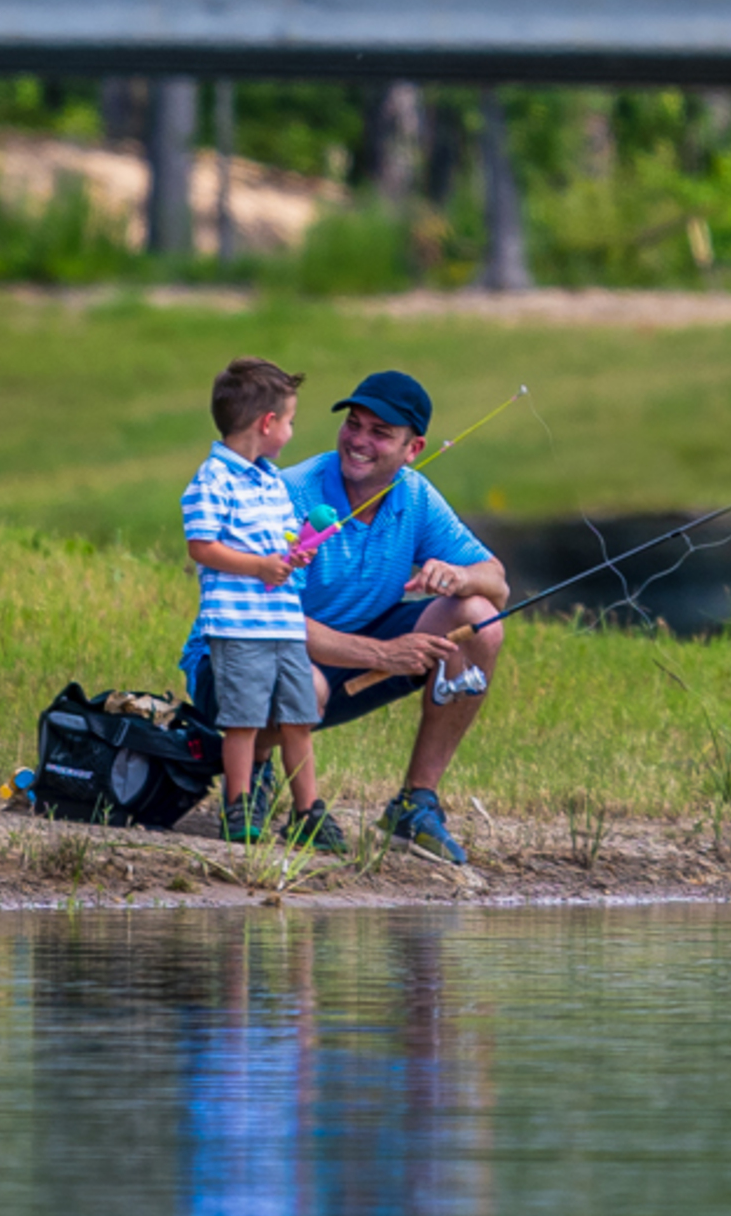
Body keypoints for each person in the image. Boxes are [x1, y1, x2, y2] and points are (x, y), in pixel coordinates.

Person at [278, 369, 510, 866]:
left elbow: (498, 581)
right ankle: (255, 780)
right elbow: (271, 620)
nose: (358, 441)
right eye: (353, 424)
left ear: (413, 448)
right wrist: (383, 654)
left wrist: (458, 577)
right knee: (306, 683)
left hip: (343, 665)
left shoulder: (416, 495)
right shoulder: (293, 491)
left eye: (379, 433)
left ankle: (414, 805)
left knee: (480, 618)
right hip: (260, 661)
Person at [176, 356, 343, 851]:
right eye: (289, 421)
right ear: (267, 423)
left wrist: (301, 547)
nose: (292, 431)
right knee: (244, 722)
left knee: (298, 718)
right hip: (238, 629)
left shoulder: (272, 482)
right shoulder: (212, 480)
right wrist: (259, 566)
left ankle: (308, 811)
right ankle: (240, 805)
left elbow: (279, 546)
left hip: (285, 626)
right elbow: (201, 546)